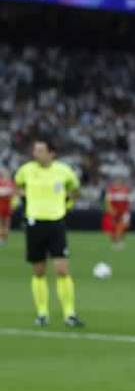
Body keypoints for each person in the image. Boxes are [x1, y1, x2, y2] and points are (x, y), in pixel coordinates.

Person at [15, 140, 82, 327]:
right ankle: (42, 313)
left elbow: (75, 189)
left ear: (51, 153)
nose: (35, 153)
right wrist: (24, 200)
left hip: (56, 223)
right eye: (35, 150)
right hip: (35, 223)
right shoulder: (26, 170)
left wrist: (68, 204)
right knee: (39, 271)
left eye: (40, 150)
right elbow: (17, 185)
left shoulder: (63, 171)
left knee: (62, 269)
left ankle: (69, 313)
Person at [104, 179, 132, 249]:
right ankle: (115, 241)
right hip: (115, 212)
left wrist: (127, 211)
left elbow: (128, 202)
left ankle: (120, 240)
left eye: (119, 182)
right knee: (114, 227)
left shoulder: (125, 190)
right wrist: (111, 210)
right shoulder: (111, 190)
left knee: (124, 226)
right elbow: (108, 201)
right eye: (116, 182)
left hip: (124, 212)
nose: (117, 184)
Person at [0, 167, 14, 245]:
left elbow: (11, 192)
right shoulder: (1, 182)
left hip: (8, 206)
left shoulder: (10, 183)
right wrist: (6, 191)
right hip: (1, 206)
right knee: (1, 223)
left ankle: (5, 237)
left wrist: (5, 192)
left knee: (7, 223)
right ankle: (1, 237)